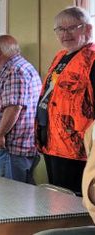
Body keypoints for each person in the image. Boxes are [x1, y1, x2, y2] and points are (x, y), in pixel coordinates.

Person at [37, 7, 95, 194]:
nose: (65, 34)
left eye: (71, 28)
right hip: (52, 143)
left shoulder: (92, 58)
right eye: (60, 29)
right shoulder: (61, 56)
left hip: (78, 150)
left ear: (87, 29)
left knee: (74, 206)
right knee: (56, 200)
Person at [0, 35, 41, 184]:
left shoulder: (14, 71)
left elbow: (14, 107)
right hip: (13, 147)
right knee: (19, 196)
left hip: (10, 147)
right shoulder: (16, 68)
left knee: (9, 198)